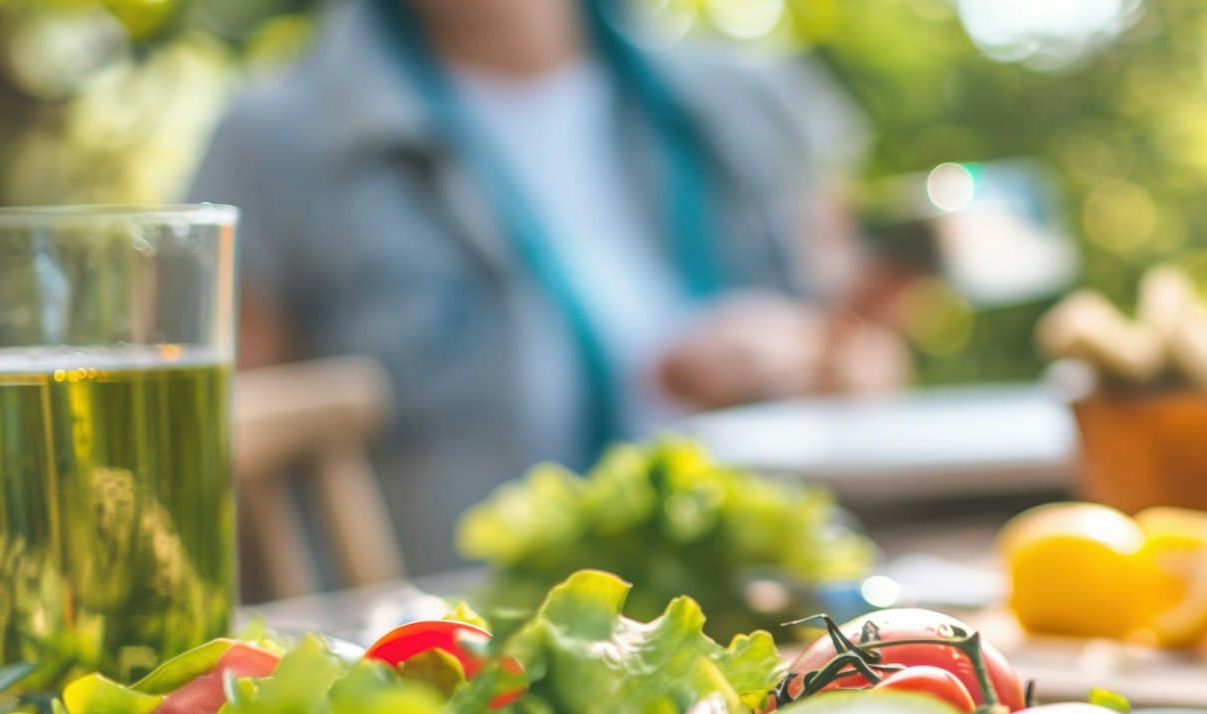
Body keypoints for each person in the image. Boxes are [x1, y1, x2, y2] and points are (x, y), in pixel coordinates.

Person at [190, 0, 909, 572]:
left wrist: (807, 352)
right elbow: (221, 453)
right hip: (466, 671)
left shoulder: (745, 101)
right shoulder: (274, 144)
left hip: (772, 617)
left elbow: (873, 362)